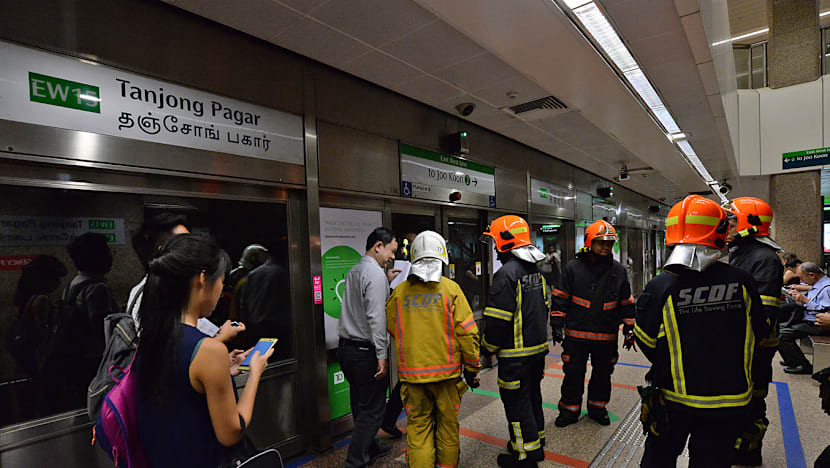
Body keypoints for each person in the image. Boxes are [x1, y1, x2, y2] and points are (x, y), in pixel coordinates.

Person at [634, 195, 768, 467]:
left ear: (670, 234)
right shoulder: (742, 281)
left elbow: (646, 341)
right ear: (720, 232)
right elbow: (760, 332)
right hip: (731, 400)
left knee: (658, 459)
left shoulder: (661, 285)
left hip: (675, 399)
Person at [134, 233, 273, 468]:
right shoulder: (209, 350)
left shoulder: (152, 336)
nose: (221, 291)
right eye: (220, 281)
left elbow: (181, 388)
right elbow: (231, 432)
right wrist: (256, 372)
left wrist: (225, 368)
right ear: (202, 279)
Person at [385, 230, 481, 468]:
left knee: (418, 430)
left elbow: (391, 327)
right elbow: (467, 333)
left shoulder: (399, 293)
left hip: (412, 377)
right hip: (447, 378)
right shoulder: (451, 290)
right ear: (442, 257)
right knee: (448, 428)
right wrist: (472, 368)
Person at [551, 219, 634, 428]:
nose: (605, 247)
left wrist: (630, 328)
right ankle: (569, 411)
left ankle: (597, 408)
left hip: (606, 335)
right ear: (589, 242)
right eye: (601, 242)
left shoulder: (618, 271)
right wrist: (556, 323)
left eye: (609, 243)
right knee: (573, 374)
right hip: (576, 335)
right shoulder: (572, 268)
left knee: (603, 375)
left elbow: (626, 301)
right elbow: (560, 297)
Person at [481, 215, 549, 468]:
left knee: (516, 403)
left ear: (503, 242)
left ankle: (525, 455)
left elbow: (498, 321)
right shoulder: (535, 271)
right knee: (533, 396)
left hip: (514, 357)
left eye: (494, 241)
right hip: (537, 352)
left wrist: (487, 348)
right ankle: (536, 441)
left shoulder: (505, 275)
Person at [726, 197, 784, 466]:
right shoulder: (743, 253)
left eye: (733, 221)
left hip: (756, 346)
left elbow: (761, 312)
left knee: (753, 399)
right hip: (741, 342)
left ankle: (748, 451)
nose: (728, 226)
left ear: (748, 223)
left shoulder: (764, 258)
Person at [337, 227, 401, 468]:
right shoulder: (374, 274)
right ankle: (355, 461)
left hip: (347, 351)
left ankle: (371, 446)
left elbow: (361, 304)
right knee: (373, 410)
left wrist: (385, 282)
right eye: (391, 251)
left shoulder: (356, 270)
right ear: (378, 246)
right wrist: (382, 356)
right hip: (366, 352)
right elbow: (376, 317)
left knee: (359, 403)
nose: (393, 257)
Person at [129, 213, 235, 340]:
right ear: (164, 251)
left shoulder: (173, 289)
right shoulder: (153, 292)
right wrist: (218, 342)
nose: (192, 246)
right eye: (183, 241)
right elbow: (168, 351)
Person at [65, 233, 121, 396]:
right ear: (96, 257)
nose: (111, 257)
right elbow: (102, 327)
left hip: (78, 354)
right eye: (107, 252)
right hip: (95, 358)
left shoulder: (73, 284)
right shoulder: (98, 288)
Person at [8, 255, 67, 376]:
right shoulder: (42, 300)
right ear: (44, 278)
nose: (59, 282)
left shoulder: (26, 298)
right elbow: (45, 335)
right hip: (38, 362)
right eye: (56, 278)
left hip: (25, 361)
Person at [238, 237, 291, 351]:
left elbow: (244, 304)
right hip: (278, 329)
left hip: (256, 328)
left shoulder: (254, 274)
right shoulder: (283, 274)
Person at [779, 262, 830, 374]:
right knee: (778, 328)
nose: (801, 282)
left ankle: (802, 365)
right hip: (809, 319)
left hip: (816, 324)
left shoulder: (826, 288)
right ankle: (791, 360)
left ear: (812, 275)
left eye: (802, 278)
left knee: (782, 334)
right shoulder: (819, 285)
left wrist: (805, 300)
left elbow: (824, 311)